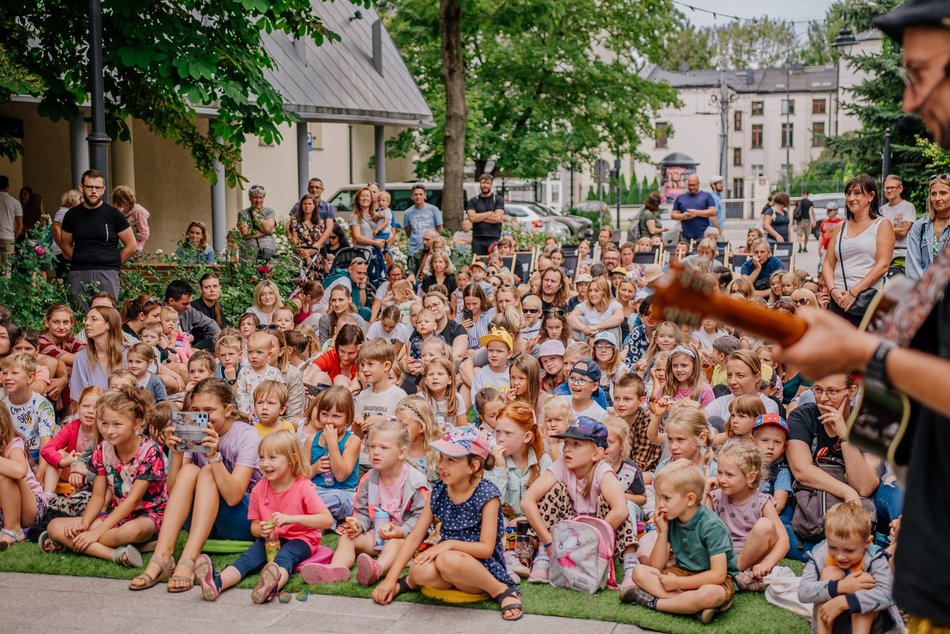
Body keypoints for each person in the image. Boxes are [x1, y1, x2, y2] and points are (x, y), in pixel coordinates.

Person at [777, 7, 950, 627]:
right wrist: (853, 413)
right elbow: (888, 425)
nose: (909, 97)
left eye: (923, 74)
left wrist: (864, 356)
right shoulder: (930, 267)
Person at [372, 425, 523, 621]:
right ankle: (408, 582)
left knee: (447, 560)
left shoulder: (488, 495)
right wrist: (391, 580)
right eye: (442, 457)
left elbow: (486, 548)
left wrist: (447, 545)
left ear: (474, 466)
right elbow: (414, 537)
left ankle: (501, 590)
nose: (442, 465)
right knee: (419, 570)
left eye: (451, 460)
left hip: (480, 568)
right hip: (447, 564)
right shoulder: (439, 491)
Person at [129, 379, 260, 591]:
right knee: (189, 470)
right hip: (199, 519)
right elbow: (174, 493)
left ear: (227, 410)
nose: (202, 417)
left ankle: (189, 559)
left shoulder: (246, 435)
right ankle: (162, 557)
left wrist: (214, 457)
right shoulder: (192, 429)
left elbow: (234, 496)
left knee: (208, 470)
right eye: (196, 410)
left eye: (209, 410)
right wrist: (177, 453)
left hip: (240, 519)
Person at [192, 429, 333, 604]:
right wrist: (262, 530)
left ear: (292, 458)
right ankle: (217, 582)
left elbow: (326, 520)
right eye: (261, 458)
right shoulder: (259, 489)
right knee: (248, 558)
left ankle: (271, 586)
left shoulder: (304, 487)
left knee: (285, 557)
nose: (265, 464)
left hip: (302, 538)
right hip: (272, 539)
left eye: (272, 458)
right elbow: (254, 527)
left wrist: (293, 518)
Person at [42, 388, 166, 568]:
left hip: (149, 517)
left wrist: (95, 532)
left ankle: (75, 543)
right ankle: (116, 554)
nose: (109, 430)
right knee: (54, 526)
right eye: (104, 423)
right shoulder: (101, 449)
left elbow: (132, 501)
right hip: (117, 516)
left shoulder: (150, 451)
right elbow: (98, 496)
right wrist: (84, 524)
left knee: (131, 531)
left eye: (117, 424)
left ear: (136, 424)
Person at [301, 418, 429, 586]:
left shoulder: (415, 482)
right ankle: (335, 569)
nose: (375, 452)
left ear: (401, 453)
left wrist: (401, 531)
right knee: (348, 538)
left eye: (383, 448)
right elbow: (363, 512)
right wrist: (358, 525)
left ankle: (377, 569)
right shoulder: (369, 479)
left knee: (394, 544)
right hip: (376, 535)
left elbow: (421, 517)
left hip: (405, 539)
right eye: (372, 447)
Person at [622, 459, 738, 623]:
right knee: (639, 572)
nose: (660, 504)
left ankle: (654, 603)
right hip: (682, 572)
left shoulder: (712, 526)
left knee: (711, 594)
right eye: (658, 498)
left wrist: (678, 582)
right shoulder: (672, 518)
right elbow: (657, 566)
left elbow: (718, 575)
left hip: (712, 581)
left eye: (666, 498)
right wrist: (662, 533)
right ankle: (691, 607)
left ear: (689, 499)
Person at [798, 502, 902, 634]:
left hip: (874, 627)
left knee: (865, 581)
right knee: (830, 573)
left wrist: (844, 601)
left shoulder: (874, 557)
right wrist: (840, 586)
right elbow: (803, 592)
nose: (840, 556)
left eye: (849, 550)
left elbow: (888, 594)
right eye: (833, 548)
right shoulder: (820, 553)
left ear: (867, 542)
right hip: (834, 623)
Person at [709, 440, 789, 591]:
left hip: (754, 558)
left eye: (729, 474)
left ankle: (736, 573)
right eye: (719, 472)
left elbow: (783, 540)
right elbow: (705, 528)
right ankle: (740, 577)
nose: (721, 479)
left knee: (765, 525)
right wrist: (705, 493)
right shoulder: (715, 496)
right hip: (723, 555)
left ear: (750, 477)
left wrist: (767, 564)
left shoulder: (762, 502)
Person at [821, 174, 895, 326]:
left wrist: (854, 292)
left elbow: (883, 265)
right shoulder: (840, 227)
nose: (851, 198)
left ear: (871, 196)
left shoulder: (882, 224)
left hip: (867, 298)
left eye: (857, 193)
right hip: (839, 299)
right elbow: (828, 264)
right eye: (848, 193)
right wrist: (833, 290)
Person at [60, 169, 138, 311]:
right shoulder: (72, 215)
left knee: (106, 316)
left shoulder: (114, 215)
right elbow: (64, 242)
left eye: (98, 188)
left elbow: (131, 244)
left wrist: (114, 263)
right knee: (79, 316)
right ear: (81, 188)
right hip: (79, 272)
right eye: (90, 187)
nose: (94, 191)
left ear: (103, 190)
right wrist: (77, 258)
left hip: (107, 272)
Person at [0, 401, 45, 550]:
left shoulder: (12, 444)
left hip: (30, 506)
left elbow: (20, 471)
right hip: (4, 509)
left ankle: (14, 530)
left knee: (6, 475)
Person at [906, 173, 950, 280]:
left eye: (943, 193)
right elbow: (912, 266)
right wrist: (926, 289)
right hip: (924, 291)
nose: (937, 198)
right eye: (933, 194)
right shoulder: (920, 226)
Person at [164, 280, 221, 352]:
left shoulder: (189, 310)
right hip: (169, 352)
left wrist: (221, 341)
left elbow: (209, 323)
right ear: (171, 301)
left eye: (189, 303)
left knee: (214, 341)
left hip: (188, 350)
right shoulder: (158, 314)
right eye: (185, 304)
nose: (188, 306)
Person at [404, 184, 443, 275]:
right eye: (416, 194)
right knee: (412, 275)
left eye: (420, 194)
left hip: (431, 251)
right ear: (412, 196)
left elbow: (439, 228)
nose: (418, 196)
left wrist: (434, 242)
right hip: (414, 251)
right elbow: (408, 231)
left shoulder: (433, 209)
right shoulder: (407, 212)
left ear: (425, 195)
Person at [880, 174, 915, 273]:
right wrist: (894, 229)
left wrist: (883, 230)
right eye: (887, 188)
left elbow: (903, 232)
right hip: (883, 255)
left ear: (900, 189)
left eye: (892, 188)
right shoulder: (881, 209)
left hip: (901, 255)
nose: (889, 190)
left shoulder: (908, 207)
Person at [466, 173, 506, 255]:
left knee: (494, 262)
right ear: (480, 183)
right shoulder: (473, 201)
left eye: (488, 183)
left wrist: (478, 216)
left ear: (491, 184)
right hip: (477, 238)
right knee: (478, 263)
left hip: (494, 237)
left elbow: (497, 218)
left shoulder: (498, 199)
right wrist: (489, 213)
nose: (485, 185)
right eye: (483, 183)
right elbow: (472, 218)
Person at [671, 174, 717, 242]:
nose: (692, 187)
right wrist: (683, 216)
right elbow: (673, 215)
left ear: (698, 184)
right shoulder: (680, 197)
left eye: (694, 185)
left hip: (703, 236)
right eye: (690, 185)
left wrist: (696, 213)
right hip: (685, 236)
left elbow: (713, 212)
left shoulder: (707, 196)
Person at [237, 185, 277, 261]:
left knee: (267, 272)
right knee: (248, 272)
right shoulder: (242, 213)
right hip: (248, 250)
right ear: (250, 198)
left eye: (260, 197)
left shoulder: (269, 211)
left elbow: (267, 228)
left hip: (268, 248)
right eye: (255, 197)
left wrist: (255, 216)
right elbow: (245, 234)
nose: (258, 200)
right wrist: (267, 232)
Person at [110, 186, 151, 254]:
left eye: (122, 204)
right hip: (122, 247)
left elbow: (145, 234)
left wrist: (128, 237)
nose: (120, 206)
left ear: (129, 201)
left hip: (135, 249)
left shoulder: (138, 212)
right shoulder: (124, 211)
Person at [0, 175, 24, 275]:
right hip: (8, 237)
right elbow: (20, 225)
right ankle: (4, 290)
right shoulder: (15, 202)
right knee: (7, 271)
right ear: (8, 186)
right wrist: (14, 238)